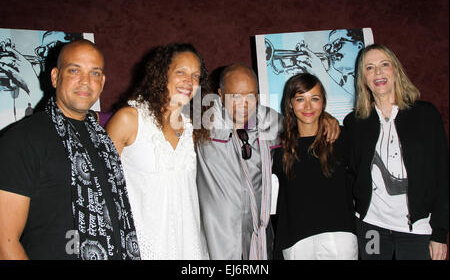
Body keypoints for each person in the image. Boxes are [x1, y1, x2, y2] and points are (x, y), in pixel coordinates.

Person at [0, 40, 140, 260]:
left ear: (102, 82)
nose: (85, 82)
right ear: (55, 77)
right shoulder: (24, 138)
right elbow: (5, 240)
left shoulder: (103, 140)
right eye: (74, 70)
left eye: (94, 73)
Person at [196, 64, 340, 260]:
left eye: (250, 95)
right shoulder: (201, 124)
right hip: (218, 240)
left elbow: (302, 121)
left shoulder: (269, 121)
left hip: (260, 237)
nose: (244, 104)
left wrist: (325, 117)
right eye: (235, 97)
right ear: (221, 95)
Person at [344, 44, 449, 260]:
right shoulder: (354, 122)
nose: (378, 73)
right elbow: (350, 174)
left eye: (384, 65)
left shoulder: (426, 115)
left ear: (396, 70)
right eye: (369, 68)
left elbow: (442, 174)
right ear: (362, 78)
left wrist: (439, 233)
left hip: (417, 229)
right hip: (371, 227)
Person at [106, 43, 210, 259]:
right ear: (162, 73)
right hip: (143, 248)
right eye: (181, 72)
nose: (189, 82)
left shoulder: (193, 129)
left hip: (188, 248)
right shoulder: (129, 119)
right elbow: (102, 191)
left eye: (195, 76)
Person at [272, 73, 357, 260]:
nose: (308, 106)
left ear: (323, 103)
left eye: (315, 99)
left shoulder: (341, 138)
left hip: (339, 238)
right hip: (297, 242)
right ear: (290, 104)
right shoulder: (279, 148)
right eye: (300, 99)